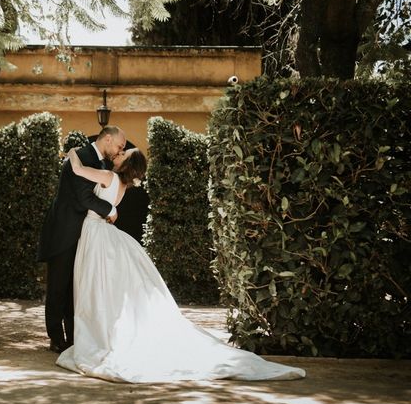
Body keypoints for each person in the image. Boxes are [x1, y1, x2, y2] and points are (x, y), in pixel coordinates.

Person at [55, 147, 306, 382]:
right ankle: (102, 330)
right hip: (103, 233)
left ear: (126, 164)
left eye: (123, 153)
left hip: (97, 235)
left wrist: (73, 151)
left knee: (94, 283)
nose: (118, 154)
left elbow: (77, 170)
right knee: (103, 284)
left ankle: (100, 333)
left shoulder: (109, 176)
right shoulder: (121, 186)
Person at [37, 126, 126, 353]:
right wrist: (109, 210)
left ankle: (75, 336)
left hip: (86, 234)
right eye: (119, 146)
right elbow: (83, 196)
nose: (119, 151)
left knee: (76, 288)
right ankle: (56, 337)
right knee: (58, 286)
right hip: (65, 231)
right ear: (107, 139)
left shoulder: (102, 163)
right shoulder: (83, 157)